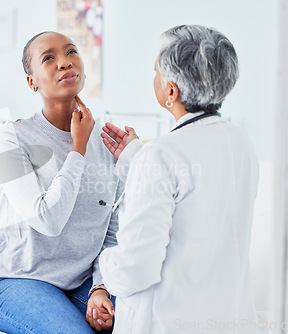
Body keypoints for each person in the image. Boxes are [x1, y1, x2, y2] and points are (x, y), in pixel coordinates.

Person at [99, 25, 259, 333]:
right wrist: (136, 158)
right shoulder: (240, 141)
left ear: (171, 91)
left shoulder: (159, 155)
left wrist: (104, 262)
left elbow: (136, 269)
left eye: (156, 71)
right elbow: (201, 197)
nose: (153, 76)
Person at [0, 31, 121, 333]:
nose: (65, 63)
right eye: (49, 59)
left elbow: (112, 231)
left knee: (147, 319)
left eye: (71, 53)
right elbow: (47, 220)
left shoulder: (108, 142)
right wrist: (78, 149)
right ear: (32, 82)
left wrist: (100, 287)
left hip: (81, 282)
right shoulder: (10, 138)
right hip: (18, 280)